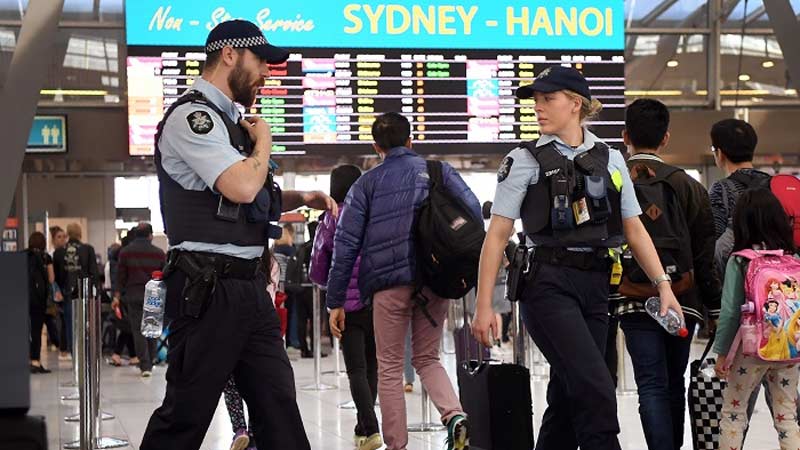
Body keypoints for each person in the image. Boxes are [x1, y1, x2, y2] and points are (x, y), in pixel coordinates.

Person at [140, 19, 336, 450]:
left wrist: (304, 196)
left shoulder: (231, 123)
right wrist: (263, 141)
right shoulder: (193, 118)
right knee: (186, 415)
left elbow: (249, 198)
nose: (267, 72)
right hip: (209, 290)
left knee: (278, 408)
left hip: (248, 289)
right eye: (261, 61)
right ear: (229, 54)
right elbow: (242, 185)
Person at [471, 66, 684, 450]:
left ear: (575, 103)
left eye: (547, 99)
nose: (538, 108)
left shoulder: (612, 159)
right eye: (535, 101)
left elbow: (634, 229)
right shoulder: (522, 160)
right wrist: (483, 304)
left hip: (597, 285)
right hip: (546, 283)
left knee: (570, 392)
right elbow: (497, 236)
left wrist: (663, 287)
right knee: (596, 385)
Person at [326, 112, 481, 450]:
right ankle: (454, 415)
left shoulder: (366, 184)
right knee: (427, 358)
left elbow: (345, 244)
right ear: (411, 141)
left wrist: (335, 301)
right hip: (434, 279)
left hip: (388, 285)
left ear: (375, 146)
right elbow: (473, 215)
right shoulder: (440, 172)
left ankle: (397, 445)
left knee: (390, 366)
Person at [614, 99, 721, 450]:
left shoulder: (613, 182)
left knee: (651, 385)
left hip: (632, 298)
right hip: (682, 298)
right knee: (674, 383)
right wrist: (714, 308)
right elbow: (705, 253)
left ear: (625, 135)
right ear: (666, 139)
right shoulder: (688, 186)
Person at [714, 188, 800, 449]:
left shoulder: (739, 261)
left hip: (749, 351)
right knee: (787, 414)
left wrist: (721, 353)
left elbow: (730, 312)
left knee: (733, 413)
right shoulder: (793, 259)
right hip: (788, 347)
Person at [309, 164, 382, 450]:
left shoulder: (330, 218)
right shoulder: (373, 214)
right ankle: (364, 426)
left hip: (346, 305)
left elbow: (317, 268)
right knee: (372, 365)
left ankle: (371, 427)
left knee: (356, 369)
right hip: (376, 299)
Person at [112, 223, 166, 377]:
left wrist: (116, 296)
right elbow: (165, 276)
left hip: (133, 295)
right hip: (154, 295)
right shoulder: (159, 253)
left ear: (136, 235)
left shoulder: (125, 252)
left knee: (138, 330)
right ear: (150, 235)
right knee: (152, 328)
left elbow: (120, 277)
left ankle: (145, 365)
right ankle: (151, 359)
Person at [53, 223, 100, 361]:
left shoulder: (59, 252)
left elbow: (57, 276)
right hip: (84, 293)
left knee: (70, 325)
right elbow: (94, 273)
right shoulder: (88, 249)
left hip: (67, 293)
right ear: (80, 234)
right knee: (86, 325)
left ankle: (75, 356)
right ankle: (86, 355)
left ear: (67, 234)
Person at [27, 231, 53, 373]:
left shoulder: (22, 255)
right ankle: (35, 361)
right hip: (39, 299)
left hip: (22, 298)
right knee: (36, 330)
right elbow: (51, 279)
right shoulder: (45, 257)